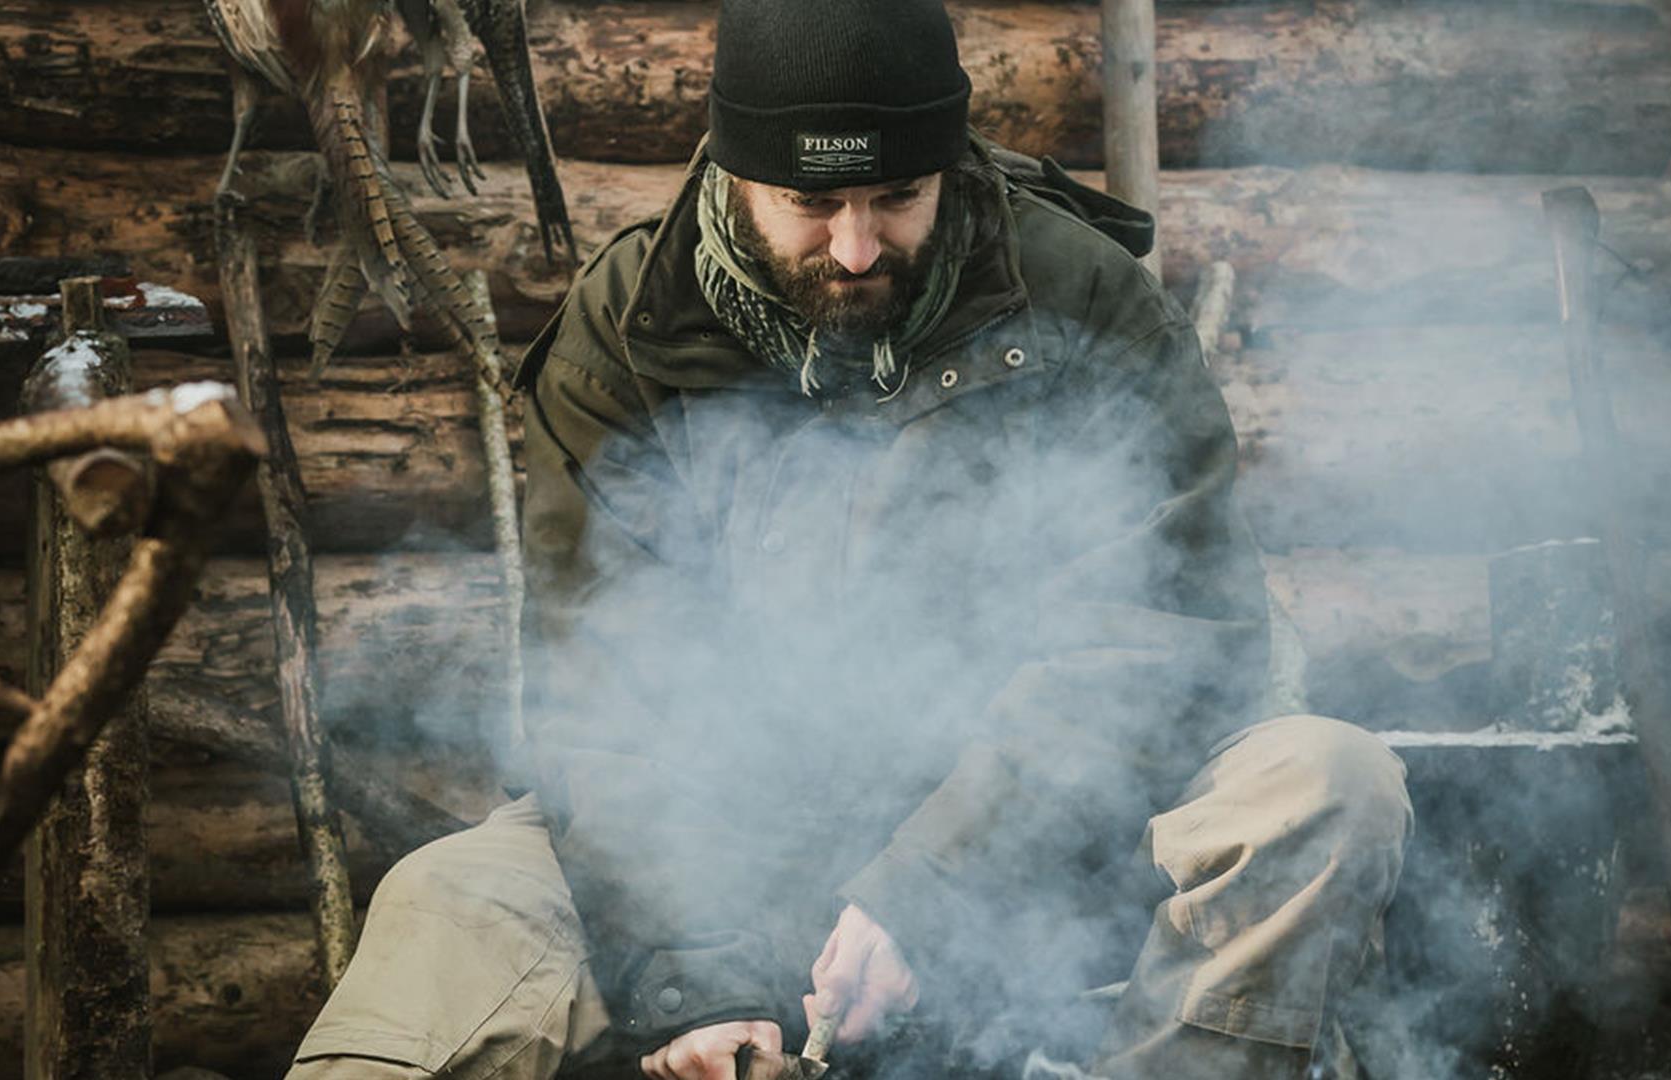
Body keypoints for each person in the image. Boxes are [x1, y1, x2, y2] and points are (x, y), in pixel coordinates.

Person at [288, 0, 1411, 1077]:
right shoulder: (628, 330)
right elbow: (610, 702)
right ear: (734, 171)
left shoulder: (1082, 301)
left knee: (1325, 784)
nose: (860, 248)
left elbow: (1157, 643)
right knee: (451, 902)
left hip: (1040, 831)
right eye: (810, 204)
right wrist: (699, 969)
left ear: (951, 163)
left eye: (897, 197)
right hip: (726, 844)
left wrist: (933, 887)